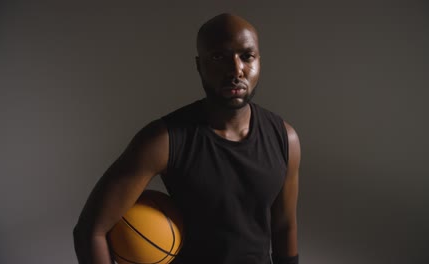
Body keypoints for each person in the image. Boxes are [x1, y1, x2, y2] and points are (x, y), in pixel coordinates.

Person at [73, 13, 300, 264]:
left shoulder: (285, 138)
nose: (236, 69)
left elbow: (284, 228)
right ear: (199, 65)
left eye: (247, 56)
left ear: (259, 61)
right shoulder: (164, 140)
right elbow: (91, 230)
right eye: (218, 57)